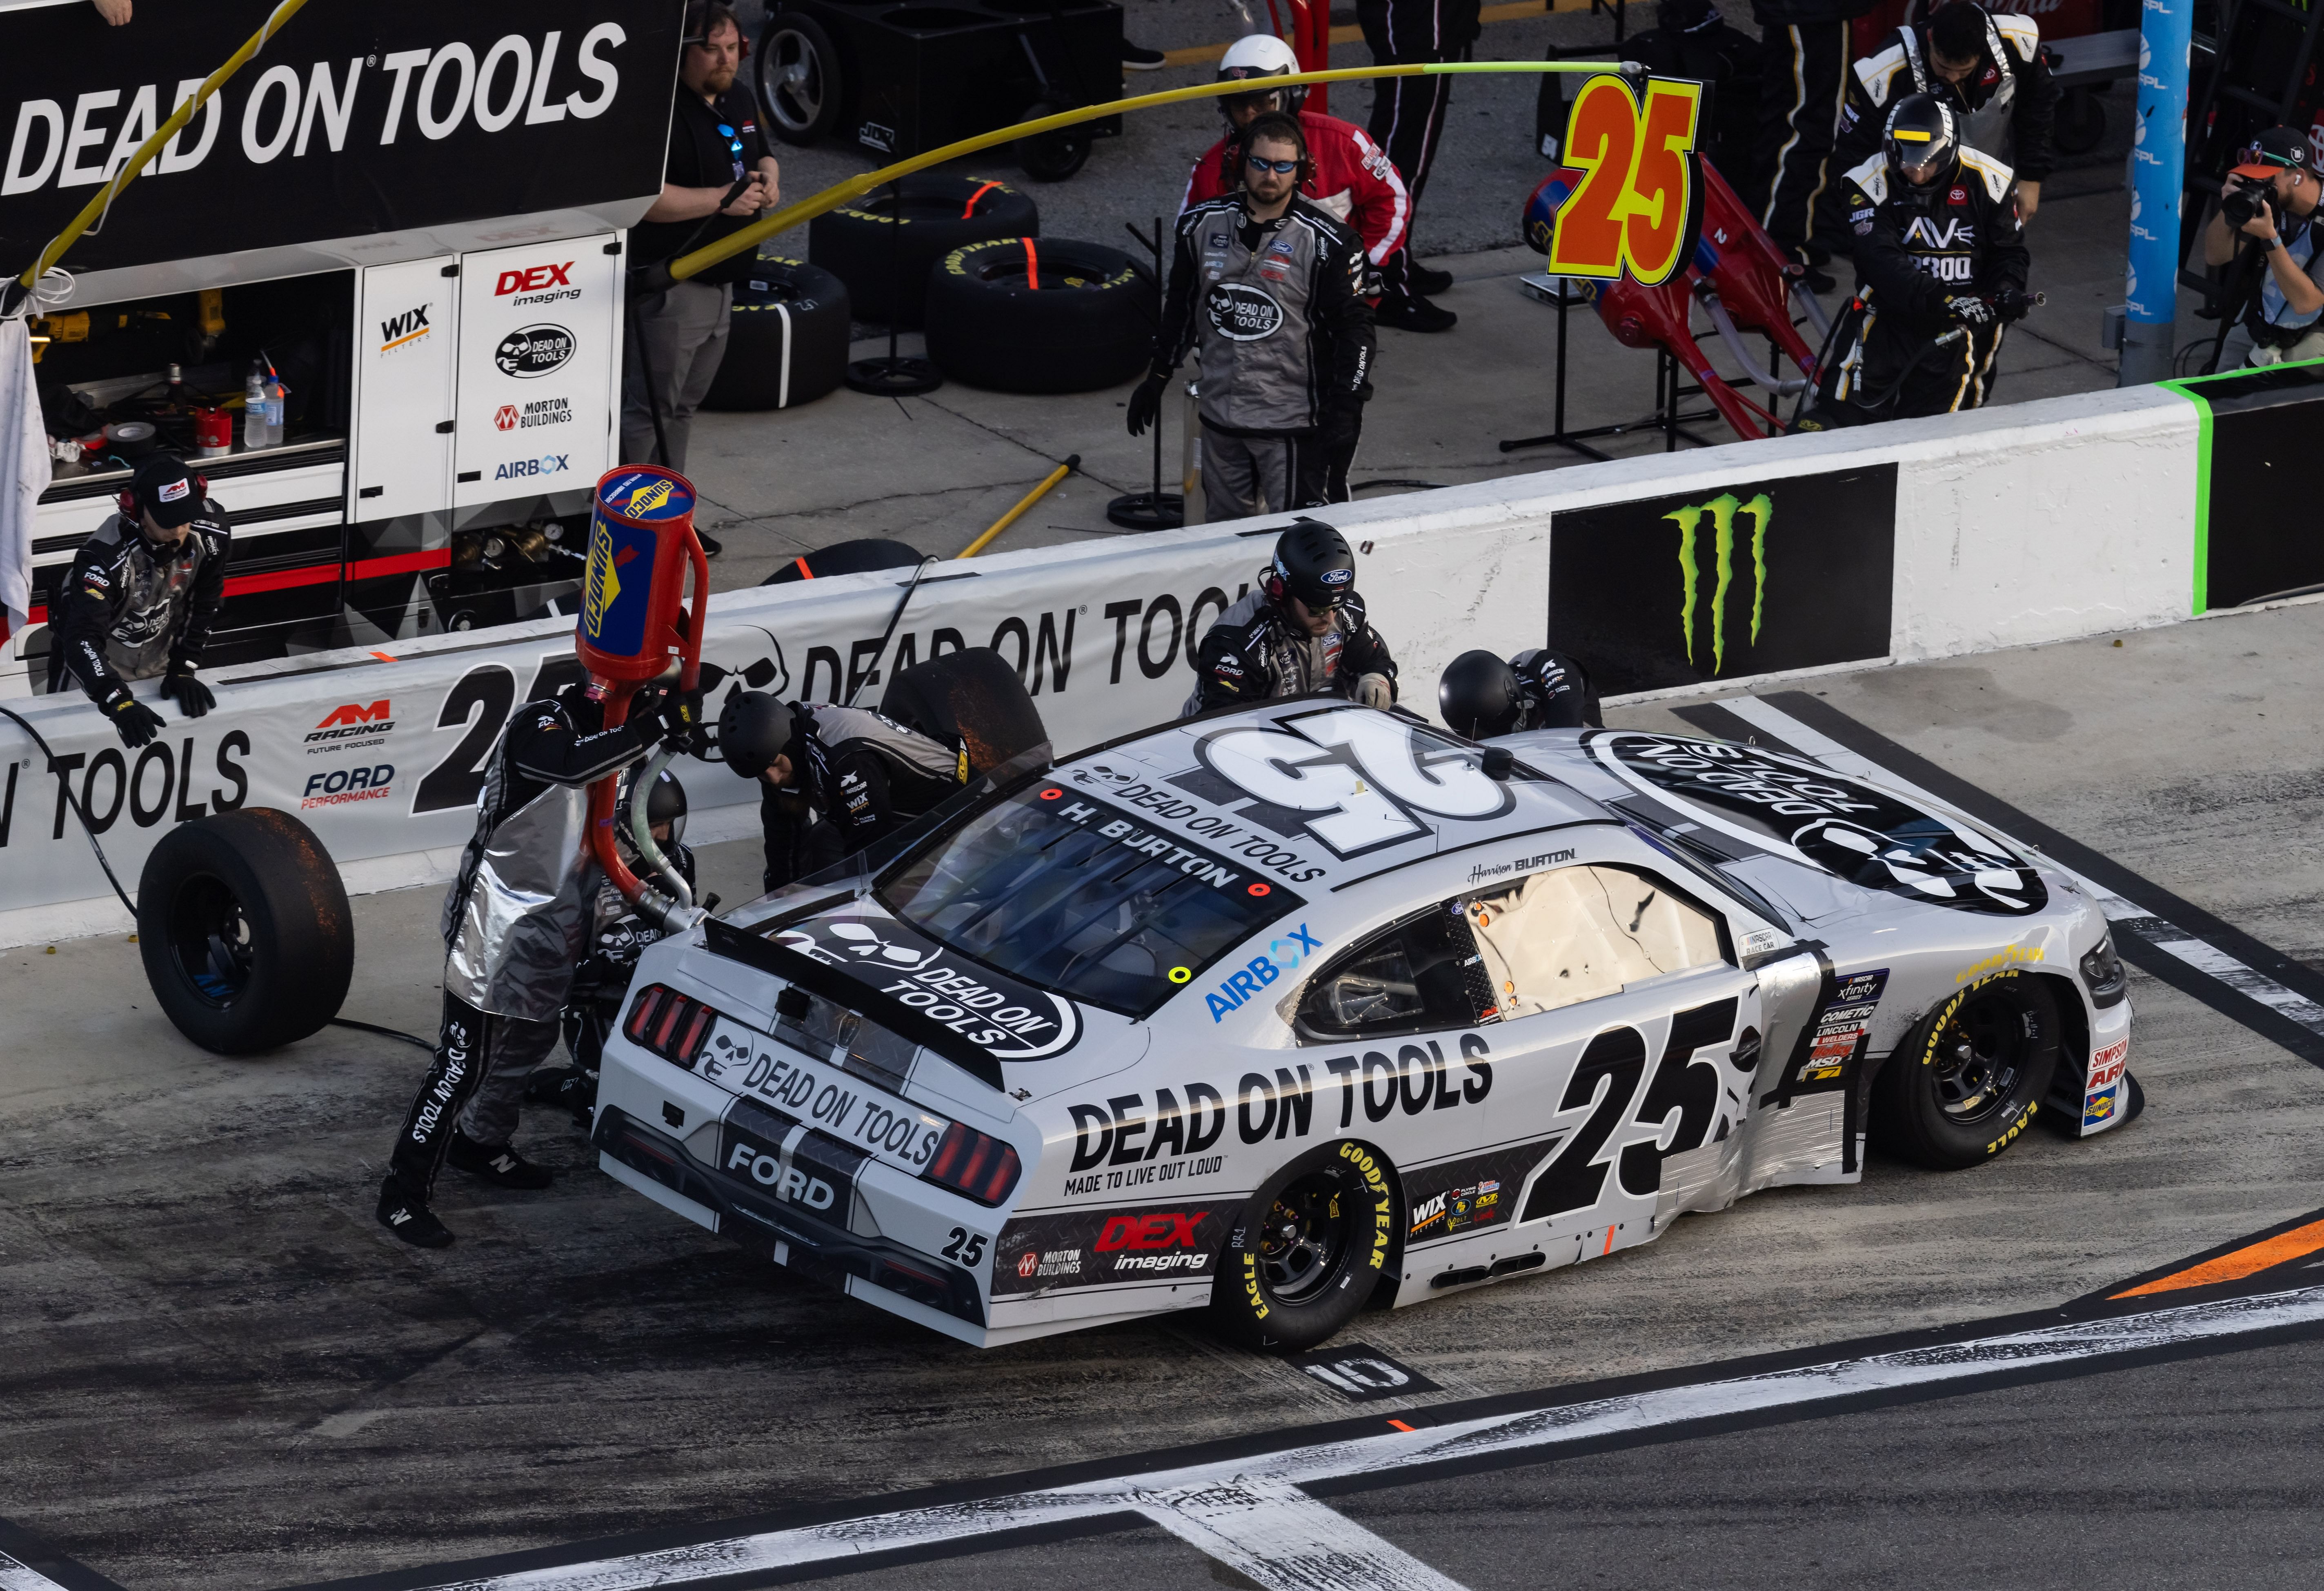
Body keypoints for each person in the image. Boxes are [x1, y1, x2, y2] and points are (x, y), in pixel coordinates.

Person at [377, 678, 700, 1249]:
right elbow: (570, 767)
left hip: (554, 927)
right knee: (461, 1064)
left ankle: (480, 1144)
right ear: (608, 702)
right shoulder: (543, 724)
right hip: (492, 925)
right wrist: (651, 725)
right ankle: (401, 1194)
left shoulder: (620, 744)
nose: (641, 724)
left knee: (528, 1045)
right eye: (637, 708)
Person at [1131, 112, 1375, 519]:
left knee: (1301, 539)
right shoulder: (1199, 224)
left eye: (1283, 166)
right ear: (1241, 163)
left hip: (1293, 428)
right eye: (1260, 163)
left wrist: (1347, 409)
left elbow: (1357, 331)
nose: (1270, 175)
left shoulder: (1330, 242)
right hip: (1220, 419)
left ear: (1302, 171)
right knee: (1225, 540)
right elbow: (1182, 305)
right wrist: (1157, 375)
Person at [1183, 34, 1450, 335]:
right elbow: (1191, 237)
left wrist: (1366, 265)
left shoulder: (1344, 143)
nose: (1249, 117)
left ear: (1292, 96)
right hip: (1253, 306)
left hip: (1334, 299)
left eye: (1262, 104)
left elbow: (1392, 201)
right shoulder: (1209, 169)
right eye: (1238, 105)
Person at [1800, 94, 2030, 427]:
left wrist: (2007, 290)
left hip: (1957, 330)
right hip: (1883, 322)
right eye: (1906, 164)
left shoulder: (1991, 180)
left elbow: (2009, 252)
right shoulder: (1864, 182)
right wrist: (1944, 300)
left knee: (1936, 433)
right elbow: (1880, 262)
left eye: (1927, 164)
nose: (1916, 176)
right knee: (1839, 421)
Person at [622, 0, 781, 476]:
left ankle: (670, 510)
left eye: (733, 48)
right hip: (675, 288)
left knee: (686, 407)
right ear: (684, 53)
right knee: (650, 410)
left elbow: (765, 154)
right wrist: (720, 199)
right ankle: (627, 517)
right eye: (712, 51)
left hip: (724, 284)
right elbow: (646, 200)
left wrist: (770, 179)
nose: (725, 60)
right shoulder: (658, 113)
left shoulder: (740, 98)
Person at [531, 769, 698, 1124]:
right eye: (656, 824)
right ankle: (578, 1083)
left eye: (670, 823)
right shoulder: (579, 874)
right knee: (605, 1114)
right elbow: (553, 967)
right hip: (599, 1001)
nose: (664, 836)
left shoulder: (681, 862)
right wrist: (604, 974)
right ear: (624, 821)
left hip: (660, 995)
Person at [50, 453, 227, 747]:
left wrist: (184, 666)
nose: (180, 529)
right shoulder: (102, 560)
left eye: (186, 515)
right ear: (135, 511)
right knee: (66, 751)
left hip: (158, 664)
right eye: (169, 519)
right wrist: (116, 699)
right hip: (90, 673)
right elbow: (82, 640)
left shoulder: (212, 532)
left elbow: (204, 603)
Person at [719, 690, 967, 892]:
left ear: (787, 741)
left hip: (957, 812)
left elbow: (871, 853)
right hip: (894, 813)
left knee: (888, 894)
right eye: (762, 773)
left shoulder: (844, 757)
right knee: (816, 855)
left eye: (774, 765)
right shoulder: (777, 745)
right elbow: (784, 834)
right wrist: (778, 900)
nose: (773, 778)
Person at [1837, 2, 2057, 224]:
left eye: (1964, 71)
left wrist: (2032, 178)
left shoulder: (2019, 39)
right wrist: (1869, 217)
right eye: (1943, 68)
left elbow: (2038, 108)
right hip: (1909, 195)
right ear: (1931, 38)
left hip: (1991, 187)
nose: (1952, 78)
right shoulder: (1879, 74)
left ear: (1983, 51)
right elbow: (1854, 154)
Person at [1181, 519, 1397, 715]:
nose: (1330, 619)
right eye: (1317, 609)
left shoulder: (1347, 613)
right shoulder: (1238, 643)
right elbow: (1225, 728)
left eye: (1336, 606)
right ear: (1280, 592)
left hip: (1315, 742)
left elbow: (1377, 661)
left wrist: (1377, 680)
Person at [1749, 0, 1880, 285]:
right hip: (1813, 11)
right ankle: (1781, 247)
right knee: (1811, 125)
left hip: (1807, 12)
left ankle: (1786, 236)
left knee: (1790, 119)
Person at [1358, 0, 1477, 306]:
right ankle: (1382, 277)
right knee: (1402, 155)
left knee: (1411, 149)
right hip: (1416, 23)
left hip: (1431, 24)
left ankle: (1396, 258)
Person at [2201, 127, 2324, 370]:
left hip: (2315, 327)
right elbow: (2215, 256)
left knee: (2276, 390)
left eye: (2267, 178)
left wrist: (2270, 239)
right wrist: (2230, 210)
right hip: (2266, 316)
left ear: (2298, 176)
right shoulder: (2271, 202)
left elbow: (2306, 303)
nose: (2259, 186)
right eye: (2253, 177)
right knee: (2220, 388)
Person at [1437, 647, 1601, 738]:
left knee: (1579, 742)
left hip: (1568, 714)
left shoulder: (1554, 673)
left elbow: (1568, 744)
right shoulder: (1474, 711)